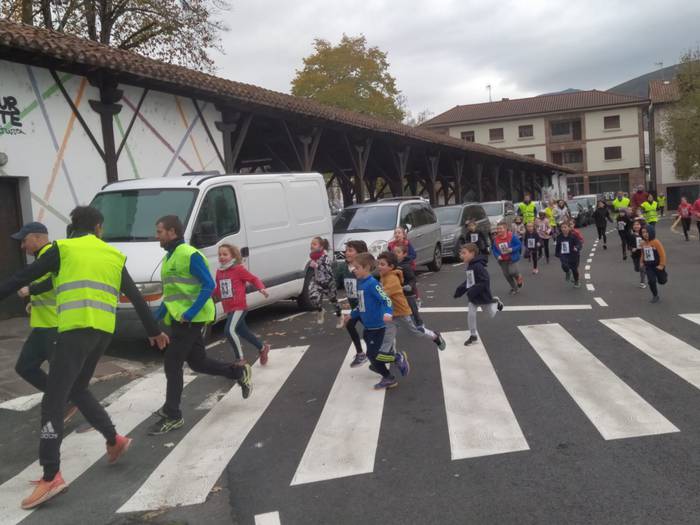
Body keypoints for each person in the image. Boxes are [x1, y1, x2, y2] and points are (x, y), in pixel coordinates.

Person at [0, 206, 169, 509]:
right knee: (77, 388)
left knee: (53, 399)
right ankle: (114, 439)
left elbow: (20, 279)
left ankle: (51, 475)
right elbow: (135, 296)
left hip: (74, 332)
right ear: (99, 228)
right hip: (103, 334)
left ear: (73, 226)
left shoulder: (63, 250)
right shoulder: (112, 255)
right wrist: (153, 330)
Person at [151, 215, 251, 434]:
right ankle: (238, 372)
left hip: (191, 319)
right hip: (179, 319)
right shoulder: (169, 258)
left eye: (159, 232)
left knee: (172, 361)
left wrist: (190, 312)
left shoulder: (189, 254)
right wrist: (154, 319)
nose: (156, 236)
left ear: (172, 232)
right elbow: (172, 295)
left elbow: (208, 285)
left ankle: (173, 414)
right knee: (198, 362)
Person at [10, 222, 78, 424]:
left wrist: (32, 291)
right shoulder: (42, 258)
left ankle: (73, 407)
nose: (23, 246)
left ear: (38, 237)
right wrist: (34, 304)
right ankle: (65, 399)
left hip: (55, 327)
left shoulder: (53, 255)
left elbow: (54, 281)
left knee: (62, 375)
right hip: (42, 326)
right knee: (25, 367)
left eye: (25, 240)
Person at [342, 253, 397, 390]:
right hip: (368, 327)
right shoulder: (361, 283)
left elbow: (386, 299)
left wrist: (387, 313)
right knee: (373, 355)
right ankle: (391, 362)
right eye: (353, 267)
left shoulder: (372, 284)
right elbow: (361, 305)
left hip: (378, 326)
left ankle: (389, 376)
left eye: (357, 267)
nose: (354, 269)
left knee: (373, 355)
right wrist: (351, 315)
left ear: (366, 268)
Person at [376, 251, 445, 358]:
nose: (379, 266)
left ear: (391, 266)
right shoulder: (384, 275)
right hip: (391, 313)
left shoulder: (392, 279)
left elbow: (383, 294)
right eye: (378, 264)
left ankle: (435, 336)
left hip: (401, 313)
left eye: (382, 264)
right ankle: (385, 356)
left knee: (415, 332)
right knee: (388, 335)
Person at [213, 244, 270, 372]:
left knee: (229, 330)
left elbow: (253, 279)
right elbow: (217, 289)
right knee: (243, 331)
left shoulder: (238, 269)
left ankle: (240, 359)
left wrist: (261, 288)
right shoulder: (219, 272)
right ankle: (262, 347)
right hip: (228, 308)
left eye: (225, 254)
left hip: (239, 306)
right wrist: (206, 295)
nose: (222, 257)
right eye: (220, 254)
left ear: (233, 256)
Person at [454, 243, 504, 346]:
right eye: (461, 253)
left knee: (491, 314)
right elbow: (470, 280)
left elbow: (485, 280)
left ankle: (495, 301)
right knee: (471, 315)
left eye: (464, 253)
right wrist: (460, 290)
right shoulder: (470, 265)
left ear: (472, 254)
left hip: (482, 294)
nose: (461, 255)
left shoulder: (477, 266)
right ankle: (473, 335)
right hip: (474, 296)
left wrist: (473, 290)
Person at [335, 240, 369, 367]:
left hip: (366, 307)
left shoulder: (362, 270)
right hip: (356, 307)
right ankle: (360, 354)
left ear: (360, 254)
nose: (346, 253)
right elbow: (336, 282)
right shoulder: (343, 267)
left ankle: (394, 356)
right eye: (346, 250)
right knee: (349, 324)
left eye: (350, 250)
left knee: (371, 335)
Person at [307, 237, 340, 324]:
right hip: (317, 282)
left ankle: (340, 316)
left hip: (328, 283)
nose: (312, 246)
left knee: (334, 302)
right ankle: (320, 310)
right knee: (313, 297)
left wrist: (318, 265)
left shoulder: (325, 257)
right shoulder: (313, 256)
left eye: (314, 244)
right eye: (311, 244)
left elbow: (328, 270)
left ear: (321, 247)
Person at [393, 244, 423, 329]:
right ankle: (396, 324)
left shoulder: (406, 266)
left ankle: (419, 324)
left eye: (398, 252)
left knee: (413, 309)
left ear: (404, 254)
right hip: (398, 292)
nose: (396, 254)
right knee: (397, 308)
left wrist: (409, 286)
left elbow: (412, 279)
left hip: (408, 292)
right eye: (394, 252)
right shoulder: (393, 265)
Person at [491, 222, 523, 295]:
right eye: (498, 229)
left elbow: (519, 244)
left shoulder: (511, 236)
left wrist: (511, 249)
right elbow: (494, 249)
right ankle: (514, 288)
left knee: (512, 272)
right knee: (507, 275)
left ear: (505, 229)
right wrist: (497, 256)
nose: (499, 230)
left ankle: (518, 277)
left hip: (512, 258)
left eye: (501, 228)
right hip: (502, 260)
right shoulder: (496, 239)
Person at [640, 227, 667, 303]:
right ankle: (655, 295)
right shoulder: (643, 243)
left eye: (646, 232)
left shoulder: (656, 242)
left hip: (658, 265)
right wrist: (641, 262)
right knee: (651, 281)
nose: (645, 234)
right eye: (643, 232)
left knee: (662, 281)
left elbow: (662, 254)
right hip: (649, 266)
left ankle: (664, 275)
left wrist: (662, 265)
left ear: (651, 232)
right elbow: (643, 253)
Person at [555, 222, 582, 288]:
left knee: (574, 270)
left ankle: (576, 281)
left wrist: (577, 247)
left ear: (569, 228)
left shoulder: (573, 236)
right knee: (564, 265)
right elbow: (558, 246)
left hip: (573, 255)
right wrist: (557, 253)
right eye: (562, 227)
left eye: (565, 227)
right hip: (563, 254)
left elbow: (579, 244)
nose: (563, 229)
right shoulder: (559, 237)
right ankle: (567, 272)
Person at [628, 220, 647, 288]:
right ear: (632, 227)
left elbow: (649, 241)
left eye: (638, 224)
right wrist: (632, 249)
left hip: (643, 254)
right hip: (635, 255)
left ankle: (642, 282)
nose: (636, 226)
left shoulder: (644, 234)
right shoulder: (631, 236)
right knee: (637, 269)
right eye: (634, 225)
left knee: (642, 268)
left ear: (641, 226)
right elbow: (629, 246)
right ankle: (643, 270)